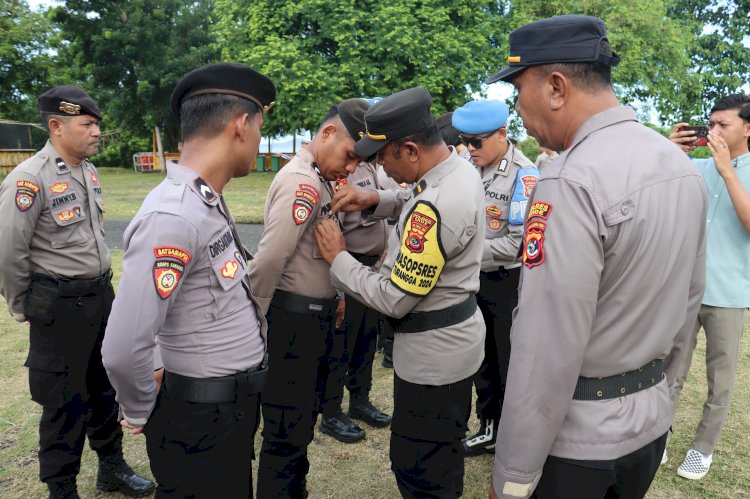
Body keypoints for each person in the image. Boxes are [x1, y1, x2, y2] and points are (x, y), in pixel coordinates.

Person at [484, 15, 707, 498]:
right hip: (648, 425)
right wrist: (663, 397)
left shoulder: (568, 180)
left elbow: (546, 346)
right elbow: (689, 302)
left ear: (556, 87)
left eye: (519, 90)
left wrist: (514, 476)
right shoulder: (677, 165)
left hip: (578, 444)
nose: (518, 109)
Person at [102, 63, 275, 497]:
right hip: (200, 419)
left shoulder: (205, 200)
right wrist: (142, 409)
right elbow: (123, 348)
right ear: (241, 124)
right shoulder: (174, 215)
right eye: (260, 126)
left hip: (224, 411)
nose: (258, 139)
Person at [315, 86, 486, 498]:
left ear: (409, 150)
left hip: (433, 359)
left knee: (420, 469)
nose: (380, 168)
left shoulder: (438, 205)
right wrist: (375, 197)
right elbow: (414, 194)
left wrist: (339, 260)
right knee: (440, 453)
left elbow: (394, 296)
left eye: (382, 157)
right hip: (453, 346)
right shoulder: (455, 168)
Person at [0, 86, 154, 498]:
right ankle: (62, 487)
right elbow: (8, 252)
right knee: (64, 402)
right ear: (56, 126)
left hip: (101, 298)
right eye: (87, 124)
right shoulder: (29, 179)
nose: (96, 132)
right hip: (60, 307)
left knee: (105, 389)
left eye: (97, 124)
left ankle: (112, 468)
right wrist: (23, 307)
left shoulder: (87, 170)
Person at [250, 98, 368, 498]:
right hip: (291, 326)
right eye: (350, 157)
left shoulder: (317, 178)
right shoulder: (302, 183)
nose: (351, 169)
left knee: (299, 428)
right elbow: (269, 262)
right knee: (286, 432)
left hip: (312, 322)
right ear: (328, 133)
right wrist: (253, 327)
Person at [667, 93, 750, 480]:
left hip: (730, 294)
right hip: (686, 288)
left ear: (747, 129)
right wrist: (668, 150)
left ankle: (703, 449)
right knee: (670, 369)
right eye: (710, 124)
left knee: (721, 379)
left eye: (723, 125)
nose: (714, 131)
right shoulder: (697, 166)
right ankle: (658, 436)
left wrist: (728, 171)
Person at [450, 99, 539, 457]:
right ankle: (489, 427)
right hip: (473, 281)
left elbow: (516, 245)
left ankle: (510, 436)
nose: (469, 149)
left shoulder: (525, 175)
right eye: (464, 140)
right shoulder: (465, 167)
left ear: (502, 134)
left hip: (506, 286)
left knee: (508, 363)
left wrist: (458, 254)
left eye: (477, 142)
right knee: (480, 360)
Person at [318, 155, 393, 443]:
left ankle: (360, 400)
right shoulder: (341, 170)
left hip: (372, 268)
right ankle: (332, 412)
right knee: (341, 345)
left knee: (366, 339)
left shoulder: (371, 167)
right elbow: (334, 225)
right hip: (349, 265)